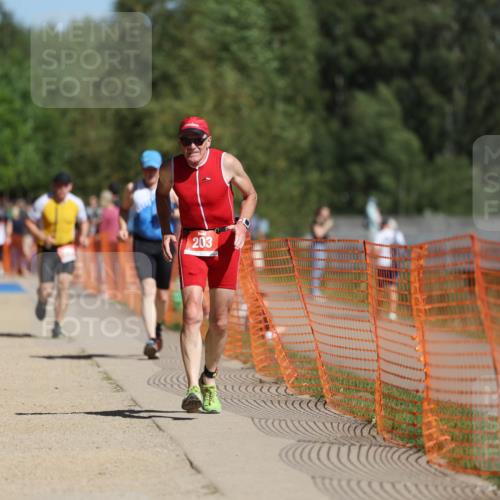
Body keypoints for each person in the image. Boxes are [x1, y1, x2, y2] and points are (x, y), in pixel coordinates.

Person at [156, 116, 257, 414]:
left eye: (197, 140)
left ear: (208, 141)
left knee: (221, 320)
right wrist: (166, 231)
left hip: (225, 242)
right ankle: (191, 389)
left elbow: (250, 194)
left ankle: (209, 379)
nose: (191, 146)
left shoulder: (226, 162)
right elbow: (161, 196)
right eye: (185, 141)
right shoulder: (171, 168)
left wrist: (243, 224)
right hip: (191, 243)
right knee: (191, 313)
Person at [119, 150, 174, 359]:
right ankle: (151, 338)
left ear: (160, 169)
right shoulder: (132, 189)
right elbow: (123, 210)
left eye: (154, 169)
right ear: (142, 168)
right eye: (146, 169)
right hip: (142, 244)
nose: (150, 173)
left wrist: (176, 213)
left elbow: (184, 209)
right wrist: (123, 227)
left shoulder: (170, 189)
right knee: (148, 289)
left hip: (165, 243)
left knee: (162, 295)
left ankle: (158, 328)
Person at [25, 172, 89, 337]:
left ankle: (58, 325)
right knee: (46, 289)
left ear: (70, 186)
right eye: (58, 185)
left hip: (67, 249)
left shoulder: (76, 203)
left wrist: (83, 235)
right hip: (47, 249)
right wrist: (41, 236)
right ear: (53, 185)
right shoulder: (43, 202)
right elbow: (29, 221)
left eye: (65, 186)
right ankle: (42, 300)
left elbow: (84, 222)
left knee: (63, 285)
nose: (61, 189)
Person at [374, 217, 406, 321]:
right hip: (394, 265)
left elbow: (376, 251)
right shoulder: (398, 234)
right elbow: (403, 249)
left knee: (381, 288)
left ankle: (378, 312)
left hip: (382, 264)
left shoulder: (380, 234)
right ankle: (392, 313)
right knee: (393, 288)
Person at [310, 206, 334, 298]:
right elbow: (319, 234)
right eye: (325, 211)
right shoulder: (317, 221)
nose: (327, 213)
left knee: (320, 268)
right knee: (317, 268)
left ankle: (314, 290)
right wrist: (327, 225)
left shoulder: (322, 222)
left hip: (322, 246)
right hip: (317, 246)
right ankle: (314, 291)